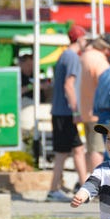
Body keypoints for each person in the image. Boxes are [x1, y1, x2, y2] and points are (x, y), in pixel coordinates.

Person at [46, 25, 88, 202]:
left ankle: (85, 187)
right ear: (79, 39)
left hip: (60, 112)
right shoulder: (72, 57)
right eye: (85, 38)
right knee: (64, 153)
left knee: (76, 150)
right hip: (65, 113)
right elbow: (68, 85)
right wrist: (76, 110)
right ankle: (55, 189)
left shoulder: (64, 55)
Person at [80, 34, 110, 177]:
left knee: (90, 149)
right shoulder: (99, 61)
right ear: (106, 49)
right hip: (96, 111)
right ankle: (97, 184)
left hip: (84, 109)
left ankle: (89, 181)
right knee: (97, 149)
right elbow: (106, 85)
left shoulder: (84, 56)